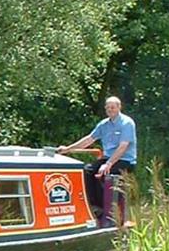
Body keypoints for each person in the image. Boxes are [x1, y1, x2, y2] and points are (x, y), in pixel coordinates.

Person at [57, 96, 136, 226]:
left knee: (106, 173)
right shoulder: (103, 124)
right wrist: (68, 149)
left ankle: (111, 213)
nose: (110, 109)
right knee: (87, 171)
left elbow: (123, 146)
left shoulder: (127, 123)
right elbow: (89, 139)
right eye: (108, 107)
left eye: (113, 107)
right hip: (107, 158)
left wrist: (108, 164)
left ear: (119, 107)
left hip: (125, 160)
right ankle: (95, 206)